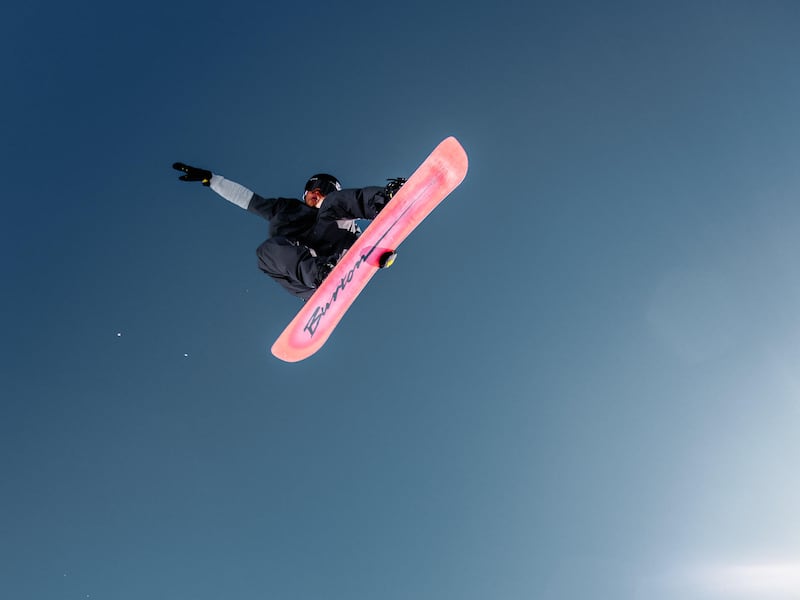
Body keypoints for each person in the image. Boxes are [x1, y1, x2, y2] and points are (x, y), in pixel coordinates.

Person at [172, 162, 405, 300]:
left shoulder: (335, 211)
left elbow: (343, 203)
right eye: (313, 190)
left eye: (324, 189)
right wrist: (212, 180)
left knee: (332, 206)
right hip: (307, 278)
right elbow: (247, 199)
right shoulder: (283, 209)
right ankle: (324, 274)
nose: (317, 193)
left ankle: (385, 201)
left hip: (341, 252)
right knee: (266, 251)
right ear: (304, 194)